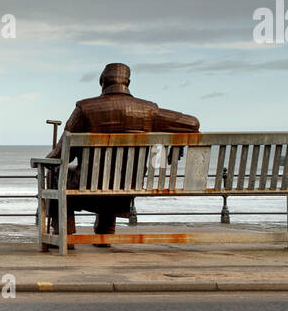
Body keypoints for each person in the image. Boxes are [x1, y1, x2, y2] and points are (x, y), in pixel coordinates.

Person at [48, 63, 199, 240]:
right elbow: (193, 123)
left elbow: (60, 154)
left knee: (57, 172)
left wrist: (44, 161)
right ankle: (105, 234)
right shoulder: (149, 111)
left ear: (102, 81)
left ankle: (65, 235)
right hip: (128, 185)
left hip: (88, 184)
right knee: (113, 175)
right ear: (128, 83)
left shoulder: (85, 109)